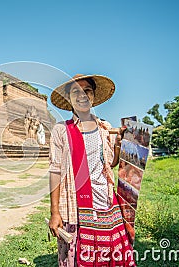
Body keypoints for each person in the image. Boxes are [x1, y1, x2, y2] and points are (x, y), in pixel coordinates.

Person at [48, 74, 136, 266]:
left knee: (110, 256)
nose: (82, 96)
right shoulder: (61, 130)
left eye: (87, 91)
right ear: (69, 98)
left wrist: (119, 144)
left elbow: (110, 163)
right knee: (78, 257)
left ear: (93, 96)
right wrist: (55, 212)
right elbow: (55, 171)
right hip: (76, 208)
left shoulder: (104, 128)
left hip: (106, 204)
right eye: (75, 92)